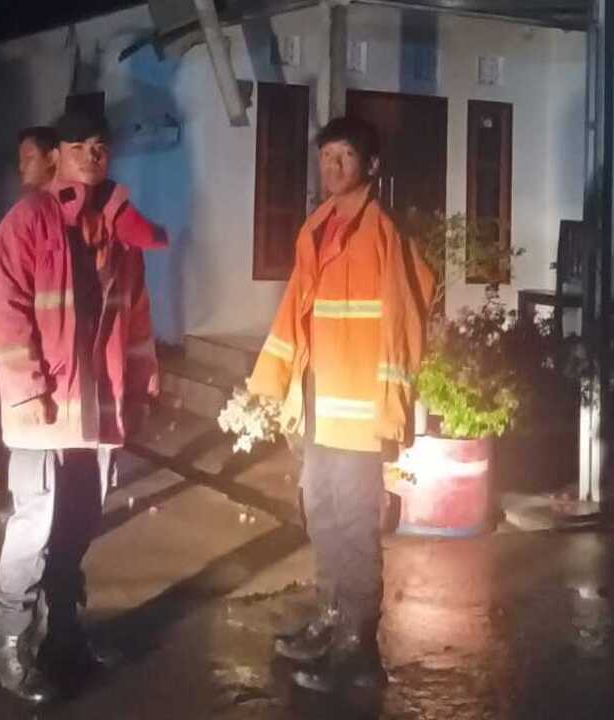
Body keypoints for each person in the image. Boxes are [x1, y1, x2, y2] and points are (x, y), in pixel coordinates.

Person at [0, 109, 167, 704]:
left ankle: (63, 633)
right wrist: (28, 388)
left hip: (97, 405)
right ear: (56, 156)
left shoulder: (117, 229)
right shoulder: (29, 219)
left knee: (80, 522)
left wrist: (138, 389)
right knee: (34, 523)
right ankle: (10, 645)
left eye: (100, 147)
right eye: (79, 146)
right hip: (45, 407)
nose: (92, 155)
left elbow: (136, 318)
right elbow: (2, 308)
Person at [249, 117, 434, 692]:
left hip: (359, 415)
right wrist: (270, 384)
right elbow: (292, 315)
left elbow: (403, 332)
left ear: (371, 167)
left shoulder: (383, 236)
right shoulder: (317, 231)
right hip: (319, 408)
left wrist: (392, 414)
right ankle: (332, 621)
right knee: (322, 519)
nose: (331, 168)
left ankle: (358, 651)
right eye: (325, 157)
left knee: (355, 529)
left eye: (344, 157)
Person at [17, 126, 58, 190]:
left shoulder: (72, 196)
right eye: (21, 160)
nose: (21, 168)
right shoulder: (31, 198)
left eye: (28, 159)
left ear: (50, 158)